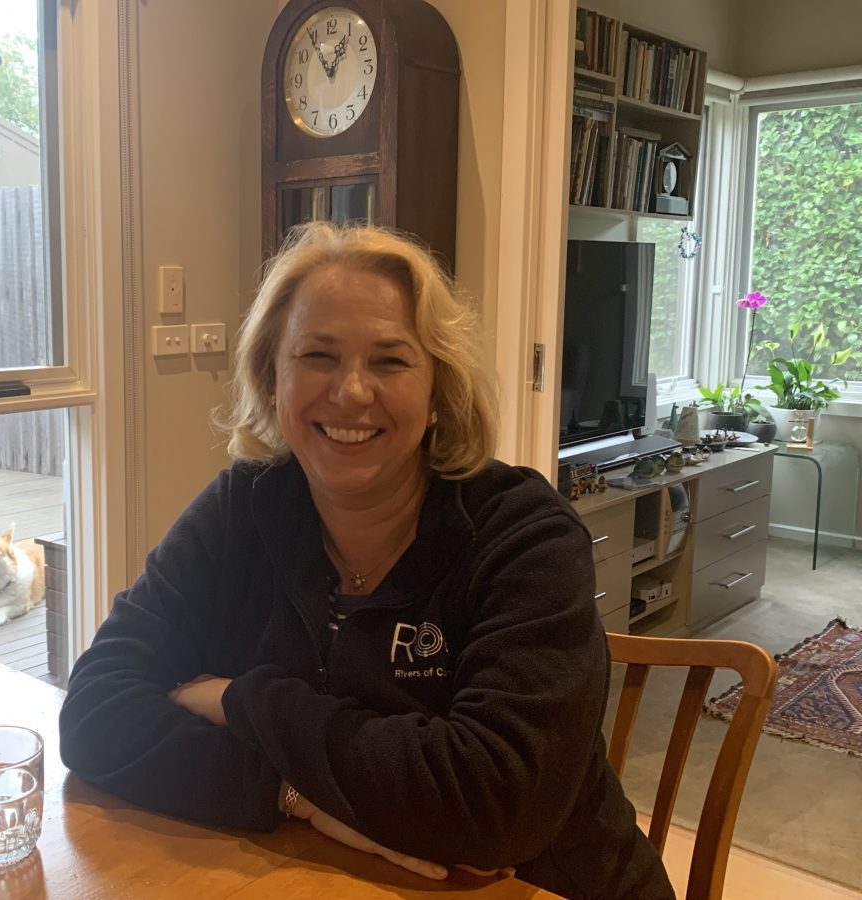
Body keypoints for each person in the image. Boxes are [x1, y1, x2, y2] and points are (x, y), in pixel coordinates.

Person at [59, 223, 673, 899]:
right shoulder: (241, 508)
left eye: (390, 361)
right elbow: (94, 716)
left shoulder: (521, 533)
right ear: (272, 376)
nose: (351, 392)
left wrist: (239, 699)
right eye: (318, 356)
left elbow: (497, 810)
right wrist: (293, 794)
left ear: (439, 387)